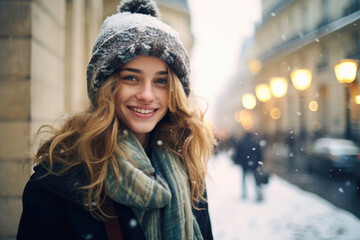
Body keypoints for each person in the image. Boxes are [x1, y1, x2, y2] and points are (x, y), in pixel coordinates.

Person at [17, 0, 216, 239]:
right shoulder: (57, 183)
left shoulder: (188, 173)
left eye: (161, 81)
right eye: (131, 78)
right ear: (105, 87)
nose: (146, 95)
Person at [234, 132, 264, 201]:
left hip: (244, 164)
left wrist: (239, 161)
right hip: (254, 164)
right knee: (256, 179)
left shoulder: (241, 142)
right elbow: (259, 153)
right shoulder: (255, 142)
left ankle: (244, 193)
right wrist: (259, 162)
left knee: (244, 179)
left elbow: (238, 154)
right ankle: (257, 194)